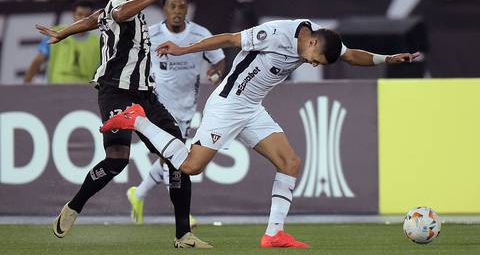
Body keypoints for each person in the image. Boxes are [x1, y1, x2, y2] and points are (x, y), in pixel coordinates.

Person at [100, 19, 420, 248]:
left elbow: (351, 55)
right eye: (315, 60)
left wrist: (388, 59)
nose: (312, 65)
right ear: (310, 43)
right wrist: (184, 50)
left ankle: (274, 235)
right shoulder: (276, 33)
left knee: (290, 163)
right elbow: (227, 39)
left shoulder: (322, 41)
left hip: (252, 108)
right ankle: (137, 120)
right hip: (228, 104)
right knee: (190, 167)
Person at [35, 0, 212, 248]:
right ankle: (73, 207)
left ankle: (183, 234)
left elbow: (96, 19)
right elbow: (115, 14)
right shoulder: (120, 5)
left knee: (179, 158)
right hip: (116, 91)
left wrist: (65, 31)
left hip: (145, 95)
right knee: (117, 159)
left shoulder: (134, 12)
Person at [126, 0, 226, 224]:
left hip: (186, 108)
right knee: (176, 158)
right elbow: (135, 63)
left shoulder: (200, 34)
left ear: (187, 9)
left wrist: (216, 73)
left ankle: (137, 194)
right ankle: (182, 215)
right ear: (164, 10)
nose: (177, 11)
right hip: (158, 107)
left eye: (182, 6)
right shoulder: (151, 35)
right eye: (172, 6)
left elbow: (219, 59)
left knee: (170, 158)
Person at [25, 0, 98, 83]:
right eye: (80, 14)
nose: (83, 19)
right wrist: (26, 84)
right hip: (56, 90)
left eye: (87, 16)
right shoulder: (56, 32)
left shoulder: (97, 42)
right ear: (73, 15)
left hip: (83, 92)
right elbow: (38, 61)